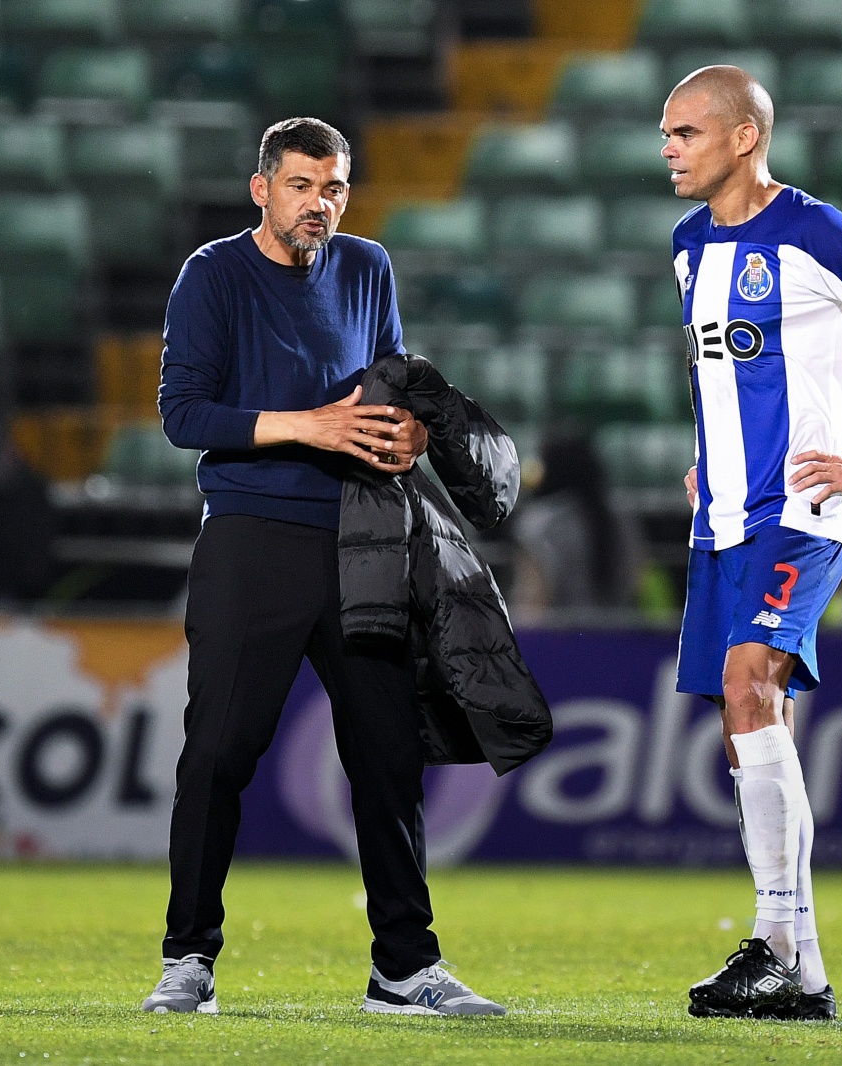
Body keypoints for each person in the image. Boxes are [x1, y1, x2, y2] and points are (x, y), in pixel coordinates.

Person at [143, 117, 506, 1017]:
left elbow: (384, 383)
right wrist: (308, 424)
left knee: (388, 758)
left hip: (361, 538)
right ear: (261, 189)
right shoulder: (213, 274)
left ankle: (404, 969)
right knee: (218, 753)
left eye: (335, 187)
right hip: (251, 536)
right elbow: (183, 413)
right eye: (303, 185)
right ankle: (188, 959)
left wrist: (410, 428)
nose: (320, 204)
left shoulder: (368, 266)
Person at [661, 67, 842, 1020]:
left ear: (745, 138)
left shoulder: (812, 231)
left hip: (804, 510)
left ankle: (776, 945)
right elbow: (722, 375)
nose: (668, 147)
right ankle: (801, 968)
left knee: (753, 677)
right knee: (743, 714)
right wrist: (704, 458)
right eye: (665, 133)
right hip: (724, 518)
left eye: (687, 131)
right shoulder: (685, 245)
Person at [511, 428, 640, 617]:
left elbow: (533, 603)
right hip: (618, 637)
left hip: (558, 641)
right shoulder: (623, 519)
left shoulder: (538, 525)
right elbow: (635, 580)